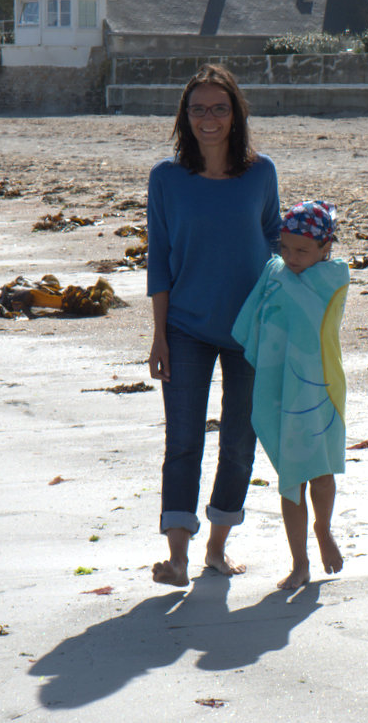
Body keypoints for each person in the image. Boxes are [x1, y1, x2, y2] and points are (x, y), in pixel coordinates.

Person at [147, 64, 281, 587]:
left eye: (219, 108)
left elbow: (276, 245)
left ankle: (217, 549)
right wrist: (159, 335)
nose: (209, 118)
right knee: (183, 442)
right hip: (185, 328)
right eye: (198, 108)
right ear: (185, 115)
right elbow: (159, 259)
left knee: (239, 444)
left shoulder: (261, 173)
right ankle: (177, 557)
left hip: (251, 330)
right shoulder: (166, 178)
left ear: (235, 114)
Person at [232, 200, 349, 590]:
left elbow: (315, 318)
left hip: (320, 385)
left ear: (325, 247)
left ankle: (323, 528)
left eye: (302, 250)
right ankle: (299, 563)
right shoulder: (275, 273)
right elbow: (258, 318)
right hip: (279, 385)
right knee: (291, 477)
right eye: (285, 248)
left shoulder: (334, 278)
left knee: (322, 471)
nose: (291, 257)